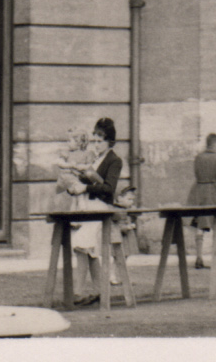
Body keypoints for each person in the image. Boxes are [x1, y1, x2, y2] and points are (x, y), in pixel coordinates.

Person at [67, 117, 127, 306]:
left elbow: (109, 188)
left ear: (110, 142)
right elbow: (88, 181)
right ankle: (99, 291)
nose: (97, 144)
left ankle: (77, 292)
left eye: (100, 141)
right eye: (95, 140)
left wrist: (85, 188)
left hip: (102, 208)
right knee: (88, 249)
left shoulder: (114, 160)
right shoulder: (96, 158)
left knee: (80, 244)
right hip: (89, 207)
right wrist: (74, 184)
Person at [188, 133, 216, 270]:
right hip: (213, 192)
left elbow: (196, 174)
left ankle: (199, 256)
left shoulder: (198, 157)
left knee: (200, 223)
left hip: (198, 191)